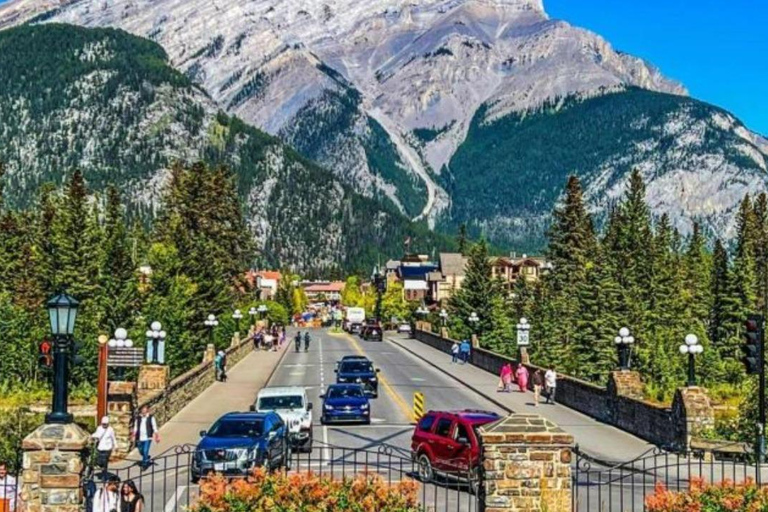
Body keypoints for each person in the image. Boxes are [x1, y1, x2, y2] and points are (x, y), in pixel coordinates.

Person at [133, 405, 159, 470]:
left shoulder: (151, 418)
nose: (143, 412)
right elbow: (136, 427)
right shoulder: (138, 418)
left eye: (145, 411)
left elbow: (154, 427)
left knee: (145, 450)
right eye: (142, 410)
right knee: (141, 450)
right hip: (139, 438)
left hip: (148, 438)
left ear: (147, 411)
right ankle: (146, 457)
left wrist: (157, 436)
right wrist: (133, 435)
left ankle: (144, 465)